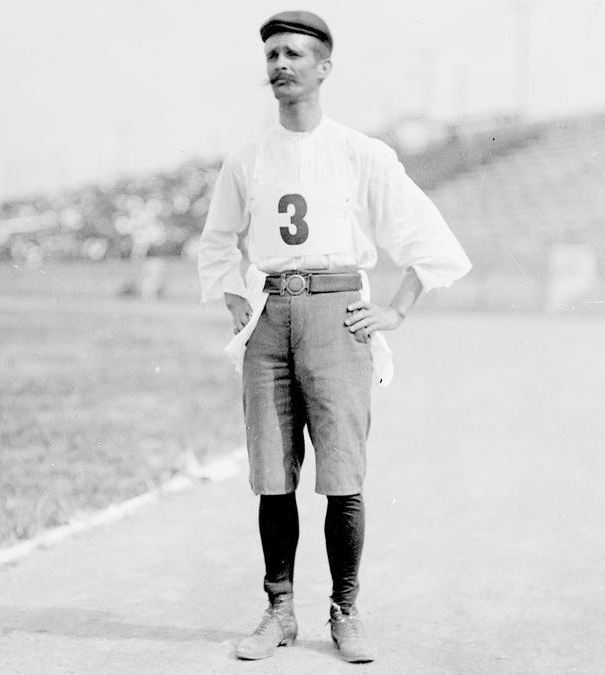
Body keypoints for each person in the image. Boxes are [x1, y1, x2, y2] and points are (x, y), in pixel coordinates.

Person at [197, 11, 471, 664]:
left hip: (337, 314)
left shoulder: (361, 153)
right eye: (272, 55)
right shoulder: (246, 159)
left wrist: (396, 311)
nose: (280, 65)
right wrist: (235, 297)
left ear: (324, 68)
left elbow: (428, 239)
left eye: (293, 54)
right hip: (270, 319)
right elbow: (217, 241)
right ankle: (279, 610)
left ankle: (345, 610)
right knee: (272, 475)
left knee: (342, 474)